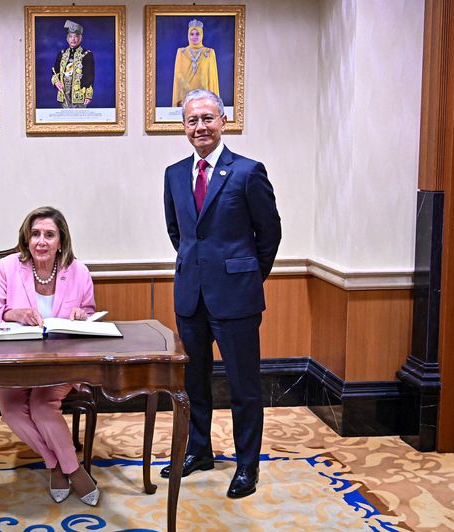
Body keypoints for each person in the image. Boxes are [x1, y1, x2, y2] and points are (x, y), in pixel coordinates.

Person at [161, 89, 281, 499]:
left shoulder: (248, 172)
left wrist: (247, 276)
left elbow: (269, 234)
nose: (201, 127)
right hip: (190, 297)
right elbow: (178, 233)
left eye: (208, 118)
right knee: (194, 382)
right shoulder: (175, 174)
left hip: (237, 299)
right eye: (192, 120)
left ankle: (248, 465)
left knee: (243, 387)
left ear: (223, 121)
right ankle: (199, 449)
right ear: (183, 127)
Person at [0, 206, 99, 506]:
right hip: (11, 362)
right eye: (35, 234)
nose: (41, 241)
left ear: (61, 241)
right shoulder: (8, 268)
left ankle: (63, 467)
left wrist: (81, 316)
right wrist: (11, 312)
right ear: (26, 238)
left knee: (43, 405)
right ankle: (63, 465)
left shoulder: (78, 272)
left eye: (49, 234)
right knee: (13, 409)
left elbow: (91, 313)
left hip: (60, 362)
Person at [172, 20, 220, 107]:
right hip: (186, 100)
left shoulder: (209, 52)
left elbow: (213, 79)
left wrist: (214, 102)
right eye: (192, 34)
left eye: (197, 34)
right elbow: (177, 79)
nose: (194, 37)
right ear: (188, 35)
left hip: (205, 100)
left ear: (202, 35)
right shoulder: (181, 52)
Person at [51, 20, 94, 108]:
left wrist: (88, 95)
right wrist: (56, 82)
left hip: (79, 93)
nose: (73, 39)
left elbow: (90, 76)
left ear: (80, 38)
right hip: (64, 92)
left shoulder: (87, 54)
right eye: (71, 36)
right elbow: (55, 71)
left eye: (76, 37)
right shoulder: (62, 53)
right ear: (67, 38)